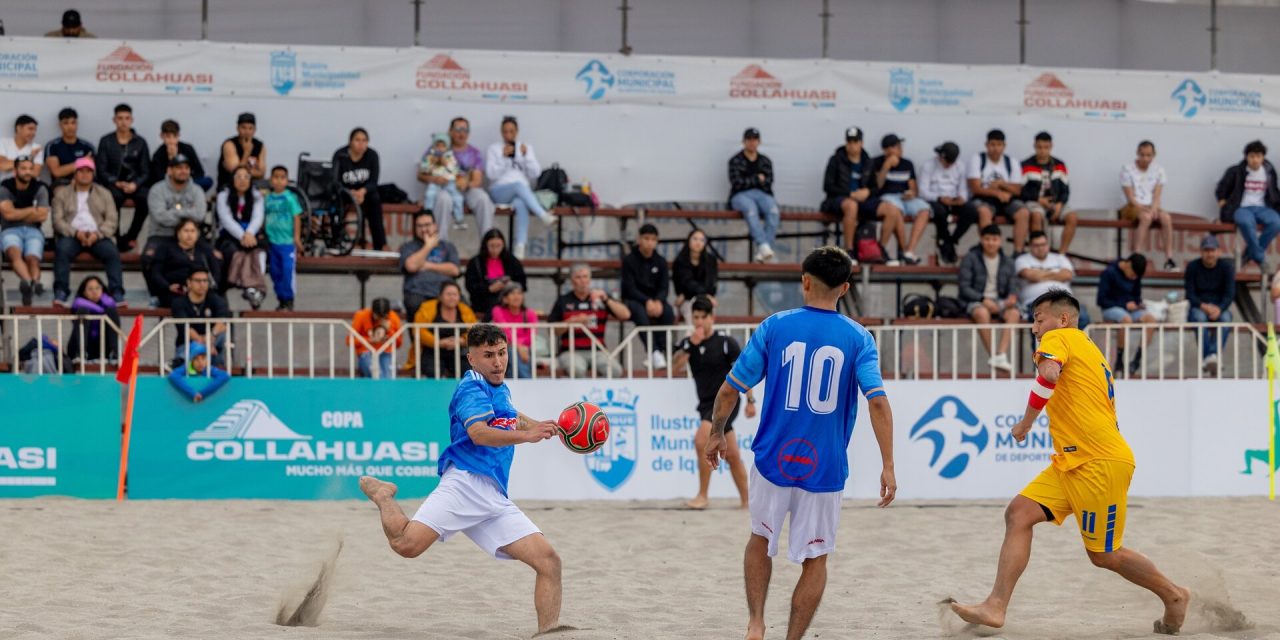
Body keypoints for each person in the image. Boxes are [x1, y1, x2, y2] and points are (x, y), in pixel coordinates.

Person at [949, 290, 1190, 635]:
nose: (1034, 328)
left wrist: (1026, 422)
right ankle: (995, 606)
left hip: (1097, 461)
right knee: (1019, 513)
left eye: (1038, 318)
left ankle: (1174, 595)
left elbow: (1048, 375)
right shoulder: (1086, 345)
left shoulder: (1059, 338)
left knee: (1105, 555)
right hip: (1072, 461)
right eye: (1033, 320)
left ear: (1062, 319)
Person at [705, 245, 896, 640]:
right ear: (844, 288)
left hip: (773, 458)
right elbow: (877, 401)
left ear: (805, 281)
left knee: (760, 538)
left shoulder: (775, 326)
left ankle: (756, 624)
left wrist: (716, 433)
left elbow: (729, 391)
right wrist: (888, 464)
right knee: (816, 558)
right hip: (824, 466)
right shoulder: (859, 338)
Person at [357, 324, 564, 635]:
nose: (498, 362)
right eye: (489, 355)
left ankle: (548, 633)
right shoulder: (471, 388)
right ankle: (384, 495)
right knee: (405, 545)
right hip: (464, 484)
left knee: (549, 562)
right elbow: (478, 433)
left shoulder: (499, 386)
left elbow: (510, 415)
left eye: (503, 353)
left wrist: (545, 426)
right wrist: (528, 435)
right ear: (471, 359)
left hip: (494, 497)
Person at [673, 296, 755, 510]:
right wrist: (691, 345)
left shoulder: (726, 343)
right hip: (706, 403)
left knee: (702, 439)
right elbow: (676, 367)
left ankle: (702, 496)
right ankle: (748, 501)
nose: (699, 321)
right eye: (696, 317)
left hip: (727, 402)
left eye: (703, 317)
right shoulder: (688, 343)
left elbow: (743, 373)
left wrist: (750, 400)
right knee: (733, 455)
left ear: (712, 318)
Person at [51, 157, 125, 307]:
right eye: (81, 171)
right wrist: (75, 232)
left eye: (88, 171)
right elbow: (57, 221)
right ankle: (61, 291)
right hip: (72, 235)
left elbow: (112, 220)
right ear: (75, 174)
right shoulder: (62, 194)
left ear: (93, 174)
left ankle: (117, 293)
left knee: (111, 252)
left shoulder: (104, 194)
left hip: (97, 235)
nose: (85, 175)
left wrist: (97, 234)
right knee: (62, 250)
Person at [485, 115, 556, 259]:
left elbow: (535, 173)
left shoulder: (525, 147)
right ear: (501, 132)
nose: (508, 135)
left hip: (521, 193)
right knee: (519, 185)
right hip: (499, 191)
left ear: (517, 132)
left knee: (521, 202)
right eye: (505, 132)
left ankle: (520, 246)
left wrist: (526, 156)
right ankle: (542, 215)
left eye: (511, 131)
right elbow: (491, 174)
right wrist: (504, 158)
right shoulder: (494, 148)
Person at [144, 154, 207, 305]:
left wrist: (172, 212)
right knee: (147, 257)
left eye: (186, 168)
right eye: (179, 168)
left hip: (190, 235)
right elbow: (160, 217)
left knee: (215, 256)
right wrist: (187, 213)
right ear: (169, 170)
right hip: (161, 234)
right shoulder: (157, 190)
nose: (183, 171)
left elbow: (200, 215)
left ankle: (210, 293)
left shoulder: (197, 190)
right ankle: (156, 294)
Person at [547, 263, 630, 377]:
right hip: (571, 351)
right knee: (576, 369)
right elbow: (552, 330)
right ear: (572, 280)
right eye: (578, 277)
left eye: (585, 277)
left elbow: (625, 315)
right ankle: (579, 395)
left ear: (590, 279)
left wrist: (606, 299)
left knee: (616, 370)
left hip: (598, 351)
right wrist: (571, 322)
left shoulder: (600, 297)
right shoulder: (563, 301)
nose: (582, 281)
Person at [423, 116, 496, 243]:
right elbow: (421, 174)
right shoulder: (438, 148)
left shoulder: (474, 152)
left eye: (465, 130)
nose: (462, 133)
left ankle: (488, 245)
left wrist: (466, 183)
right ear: (450, 131)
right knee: (443, 199)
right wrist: (435, 179)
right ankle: (440, 244)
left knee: (483, 199)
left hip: (466, 189)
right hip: (444, 187)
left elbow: (477, 180)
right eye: (458, 129)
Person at [821, 126, 888, 260]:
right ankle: (849, 250)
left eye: (855, 142)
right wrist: (850, 194)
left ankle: (880, 249)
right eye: (849, 142)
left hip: (863, 201)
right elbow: (828, 186)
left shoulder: (868, 161)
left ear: (861, 143)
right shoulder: (836, 159)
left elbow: (876, 188)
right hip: (838, 200)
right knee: (852, 206)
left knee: (891, 209)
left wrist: (867, 192)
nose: (852, 145)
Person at [959, 224, 1019, 372]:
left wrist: (1011, 298)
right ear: (981, 239)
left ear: (1000, 240)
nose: (991, 243)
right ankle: (994, 355)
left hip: (1000, 301)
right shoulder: (970, 258)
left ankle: (1001, 354)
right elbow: (964, 287)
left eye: (994, 239)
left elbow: (1013, 286)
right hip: (976, 300)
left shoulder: (1008, 262)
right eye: (987, 239)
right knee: (981, 313)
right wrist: (982, 299)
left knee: (1014, 313)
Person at [1216, 139, 1280, 272]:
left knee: (1276, 223)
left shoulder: (1269, 171)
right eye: (1252, 156)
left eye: (1258, 156)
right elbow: (1221, 189)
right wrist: (1223, 204)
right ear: (1246, 157)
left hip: (1263, 208)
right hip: (1242, 208)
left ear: (1263, 157)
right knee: (1245, 222)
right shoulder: (1236, 171)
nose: (1255, 160)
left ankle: (1247, 257)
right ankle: (1260, 259)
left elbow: (1274, 192)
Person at [968, 129, 1033, 253]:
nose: (996, 148)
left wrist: (1002, 185)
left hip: (1006, 199)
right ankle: (989, 250)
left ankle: (1018, 251)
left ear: (1004, 146)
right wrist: (996, 192)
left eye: (999, 145)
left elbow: (1017, 190)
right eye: (992, 145)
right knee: (983, 212)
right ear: (986, 145)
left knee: (1023, 212)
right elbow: (975, 187)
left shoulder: (1011, 162)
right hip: (984, 198)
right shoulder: (978, 159)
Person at [622, 223, 676, 370]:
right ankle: (653, 351)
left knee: (668, 312)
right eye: (646, 238)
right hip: (634, 300)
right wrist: (646, 301)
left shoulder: (661, 261)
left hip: (655, 300)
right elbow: (629, 288)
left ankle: (662, 349)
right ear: (639, 239)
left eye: (653, 239)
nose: (649, 242)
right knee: (640, 313)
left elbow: (664, 287)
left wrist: (658, 300)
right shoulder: (629, 260)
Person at [96, 104, 150, 248]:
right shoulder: (106, 141)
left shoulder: (140, 142)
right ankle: (116, 237)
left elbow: (145, 170)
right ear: (114, 120)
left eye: (127, 118)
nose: (123, 122)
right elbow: (101, 170)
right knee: (114, 198)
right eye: (120, 118)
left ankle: (131, 236)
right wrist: (116, 182)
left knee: (145, 198)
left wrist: (135, 184)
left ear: (132, 120)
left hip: (134, 184)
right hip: (114, 183)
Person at [871, 133, 931, 265]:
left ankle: (909, 250)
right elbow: (876, 186)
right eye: (895, 146)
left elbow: (914, 189)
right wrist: (886, 166)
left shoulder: (907, 163)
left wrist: (911, 194)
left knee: (925, 209)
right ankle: (902, 251)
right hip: (887, 197)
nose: (899, 148)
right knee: (895, 210)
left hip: (905, 198)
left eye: (899, 145)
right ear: (886, 150)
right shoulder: (876, 162)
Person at [0, 156, 51, 305]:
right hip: (10, 230)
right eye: (23, 168)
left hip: (33, 230)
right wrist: (31, 210)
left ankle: (31, 284)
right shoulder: (5, 186)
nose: (28, 172)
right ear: (15, 171)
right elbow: (8, 215)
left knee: (32, 258)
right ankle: (31, 283)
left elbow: (42, 215)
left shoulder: (40, 187)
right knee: (14, 253)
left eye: (30, 168)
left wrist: (17, 213)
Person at [215, 166, 266, 308]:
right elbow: (226, 219)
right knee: (234, 252)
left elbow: (258, 216)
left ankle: (255, 287)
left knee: (260, 252)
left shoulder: (256, 195)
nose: (242, 180)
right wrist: (242, 236)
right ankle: (240, 282)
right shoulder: (224, 195)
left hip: (251, 234)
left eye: (246, 177)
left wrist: (250, 233)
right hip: (230, 234)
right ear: (232, 179)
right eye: (239, 176)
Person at [1097, 253, 1155, 377]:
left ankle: (1137, 359)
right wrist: (1124, 304)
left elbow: (1137, 295)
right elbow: (1101, 300)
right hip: (1110, 309)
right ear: (1128, 265)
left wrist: (1138, 304)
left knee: (1151, 319)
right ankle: (1119, 358)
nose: (1134, 278)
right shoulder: (1109, 272)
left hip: (1130, 309)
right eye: (1133, 274)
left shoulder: (1136, 276)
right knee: (1126, 319)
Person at [1016, 231, 1090, 327]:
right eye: (1036, 245)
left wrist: (1039, 274)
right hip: (1035, 302)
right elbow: (1029, 275)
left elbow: (1067, 275)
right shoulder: (1022, 259)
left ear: (1048, 244)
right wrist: (1056, 274)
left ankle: (1072, 342)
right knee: (1045, 321)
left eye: (1043, 244)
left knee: (1082, 317)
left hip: (1064, 300)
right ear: (1030, 246)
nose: (1041, 248)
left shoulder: (1060, 258)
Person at [1185, 236, 1235, 376]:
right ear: (1201, 252)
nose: (1210, 254)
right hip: (1199, 306)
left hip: (1219, 306)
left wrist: (1219, 308)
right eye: (1206, 250)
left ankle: (1211, 356)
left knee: (1226, 318)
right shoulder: (1192, 267)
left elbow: (1230, 294)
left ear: (1218, 252)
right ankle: (1211, 357)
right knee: (1199, 318)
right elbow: (1190, 294)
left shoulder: (1226, 267)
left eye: (1212, 250)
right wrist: (1204, 306)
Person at [1120, 141, 1175, 270]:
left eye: (1148, 155)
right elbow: (1130, 197)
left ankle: (1169, 258)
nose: (1145, 158)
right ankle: (1136, 255)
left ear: (1154, 155)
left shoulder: (1159, 170)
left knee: (1166, 218)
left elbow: (1157, 195)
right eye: (1142, 155)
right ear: (1137, 154)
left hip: (1150, 205)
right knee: (1146, 218)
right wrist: (1145, 209)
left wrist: (1154, 208)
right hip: (1131, 206)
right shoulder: (1127, 169)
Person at [728, 127, 780, 263]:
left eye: (755, 139)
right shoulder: (735, 160)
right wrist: (757, 179)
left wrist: (750, 180)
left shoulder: (765, 161)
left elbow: (769, 182)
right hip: (740, 195)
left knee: (773, 210)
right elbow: (736, 183)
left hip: (762, 194)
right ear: (744, 142)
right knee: (751, 210)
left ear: (759, 142)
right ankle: (763, 245)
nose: (752, 143)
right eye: (749, 139)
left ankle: (764, 249)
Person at [1020, 132, 1077, 254]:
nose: (1042, 151)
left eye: (1046, 147)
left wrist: (1060, 204)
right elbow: (1020, 191)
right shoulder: (1026, 165)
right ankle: (1039, 252)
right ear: (1034, 146)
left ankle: (1062, 254)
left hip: (1056, 202)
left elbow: (1065, 190)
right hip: (1035, 202)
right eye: (1039, 147)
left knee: (1072, 217)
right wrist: (1038, 199)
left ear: (1051, 146)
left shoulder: (1060, 165)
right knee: (1036, 216)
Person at [920, 141, 975, 265]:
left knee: (971, 210)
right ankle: (946, 241)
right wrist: (939, 198)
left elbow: (963, 189)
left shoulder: (960, 167)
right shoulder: (928, 166)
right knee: (939, 212)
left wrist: (961, 199)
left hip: (954, 200)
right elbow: (923, 192)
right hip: (935, 199)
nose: (948, 165)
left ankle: (951, 241)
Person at [333, 127, 387, 251]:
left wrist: (363, 191)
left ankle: (379, 245)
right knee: (335, 199)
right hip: (346, 192)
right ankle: (338, 240)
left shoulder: (372, 155)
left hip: (364, 193)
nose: (361, 144)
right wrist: (350, 192)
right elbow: (335, 181)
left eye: (364, 140)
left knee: (375, 199)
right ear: (350, 141)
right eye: (357, 140)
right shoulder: (340, 155)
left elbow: (374, 181)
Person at [400, 210, 461, 318]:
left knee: (463, 306)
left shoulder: (447, 246)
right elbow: (411, 266)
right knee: (413, 303)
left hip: (445, 293)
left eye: (427, 225)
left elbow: (454, 269)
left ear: (435, 225)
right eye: (419, 226)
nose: (423, 229)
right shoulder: (408, 247)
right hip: (418, 292)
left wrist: (426, 265)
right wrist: (428, 246)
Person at [151, 219, 219, 309]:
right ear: (178, 233)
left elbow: (216, 271)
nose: (189, 234)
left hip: (202, 291)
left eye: (193, 231)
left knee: (219, 303)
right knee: (181, 304)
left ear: (198, 234)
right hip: (175, 292)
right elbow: (156, 272)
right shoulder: (166, 248)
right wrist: (167, 286)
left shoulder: (204, 249)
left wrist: (206, 287)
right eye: (186, 231)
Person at [171, 267, 230, 369]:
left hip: (213, 346)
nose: (202, 284)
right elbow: (185, 328)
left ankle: (182, 359)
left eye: (205, 281)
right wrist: (205, 345)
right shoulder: (179, 303)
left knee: (221, 334)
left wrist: (209, 339)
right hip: (188, 345)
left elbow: (221, 324)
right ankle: (186, 358)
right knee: (191, 350)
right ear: (189, 283)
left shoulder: (216, 300)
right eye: (198, 281)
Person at [414, 281, 477, 379]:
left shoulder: (466, 310)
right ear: (440, 296)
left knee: (468, 371)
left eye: (455, 294)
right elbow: (419, 330)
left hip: (458, 351)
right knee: (432, 371)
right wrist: (438, 342)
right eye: (448, 294)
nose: (452, 297)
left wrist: (462, 340)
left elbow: (474, 332)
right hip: (432, 350)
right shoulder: (427, 308)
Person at [263, 165, 304, 311]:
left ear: (287, 180)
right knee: (275, 272)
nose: (279, 181)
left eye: (282, 177)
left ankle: (289, 298)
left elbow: (297, 217)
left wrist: (297, 237)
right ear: (271, 180)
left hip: (287, 243)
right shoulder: (267, 199)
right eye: (276, 177)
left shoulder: (290, 198)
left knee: (287, 271)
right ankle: (281, 298)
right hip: (272, 243)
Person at [464, 228, 527, 320]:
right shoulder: (476, 262)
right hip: (483, 301)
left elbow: (522, 284)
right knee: (495, 302)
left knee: (504, 299)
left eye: (498, 246)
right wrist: (489, 288)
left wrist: (509, 285)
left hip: (508, 301)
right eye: (491, 246)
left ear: (503, 245)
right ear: (485, 245)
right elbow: (470, 286)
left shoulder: (512, 261)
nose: (495, 250)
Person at [66, 275, 120, 364]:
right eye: (90, 289)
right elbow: (78, 302)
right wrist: (101, 311)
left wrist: (103, 304)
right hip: (81, 345)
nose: (94, 291)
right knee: (83, 310)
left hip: (101, 346)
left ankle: (114, 353)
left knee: (111, 311)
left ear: (102, 290)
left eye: (97, 288)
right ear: (84, 292)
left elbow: (111, 303)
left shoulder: (107, 303)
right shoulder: (79, 302)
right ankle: (81, 354)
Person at [491, 282, 537, 379]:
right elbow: (504, 332)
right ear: (505, 298)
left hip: (525, 348)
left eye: (519, 293)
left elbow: (532, 335)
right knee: (512, 351)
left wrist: (521, 346)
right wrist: (519, 346)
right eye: (512, 293)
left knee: (519, 353)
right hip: (503, 347)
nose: (516, 296)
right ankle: (527, 381)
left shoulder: (530, 313)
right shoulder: (497, 310)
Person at [150, 120, 211, 191]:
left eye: (174, 136)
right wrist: (171, 159)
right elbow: (158, 178)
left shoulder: (188, 148)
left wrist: (185, 179)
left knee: (207, 181)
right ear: (162, 136)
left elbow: (200, 171)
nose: (171, 140)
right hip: (169, 186)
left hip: (188, 183)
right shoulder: (158, 154)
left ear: (178, 135)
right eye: (168, 136)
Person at [420, 132, 465, 230]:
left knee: (458, 198)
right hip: (435, 183)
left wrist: (446, 164)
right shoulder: (429, 156)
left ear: (447, 147)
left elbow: (456, 171)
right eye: (438, 146)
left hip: (449, 183)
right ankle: (428, 216)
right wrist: (432, 163)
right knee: (429, 194)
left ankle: (459, 219)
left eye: (442, 146)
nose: (440, 148)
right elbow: (423, 170)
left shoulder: (450, 157)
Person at [672, 228, 718, 322]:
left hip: (704, 299)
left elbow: (711, 283)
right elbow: (686, 284)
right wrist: (704, 294)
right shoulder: (680, 261)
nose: (698, 242)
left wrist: (686, 294)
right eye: (695, 239)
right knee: (691, 310)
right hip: (687, 301)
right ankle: (692, 336)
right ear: (689, 240)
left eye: (702, 240)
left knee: (708, 310)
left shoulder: (711, 261)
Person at [352, 297, 402, 379]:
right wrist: (369, 340)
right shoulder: (361, 316)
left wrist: (389, 332)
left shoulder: (393, 318)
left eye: (383, 317)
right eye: (377, 316)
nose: (379, 319)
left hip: (386, 352)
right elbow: (350, 340)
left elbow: (399, 343)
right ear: (373, 312)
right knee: (375, 374)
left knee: (387, 377)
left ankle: (383, 390)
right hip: (366, 352)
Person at [43, 108, 94, 188]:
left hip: (85, 183)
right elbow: (56, 172)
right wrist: (81, 162)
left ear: (77, 124)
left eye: (73, 123)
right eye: (66, 123)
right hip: (61, 184)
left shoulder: (87, 146)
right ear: (60, 125)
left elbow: (91, 170)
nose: (70, 127)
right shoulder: (52, 146)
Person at [217, 112, 266, 193]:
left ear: (255, 130)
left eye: (250, 128)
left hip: (252, 185)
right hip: (229, 185)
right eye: (243, 128)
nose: (247, 131)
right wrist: (246, 152)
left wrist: (248, 172)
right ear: (237, 128)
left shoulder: (260, 145)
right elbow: (236, 173)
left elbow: (261, 173)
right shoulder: (229, 144)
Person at [0, 114, 44, 181]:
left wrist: (11, 164)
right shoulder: (3, 143)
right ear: (19, 128)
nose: (33, 133)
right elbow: (2, 166)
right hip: (6, 185)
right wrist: (29, 157)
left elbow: (35, 173)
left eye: (35, 130)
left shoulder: (36, 148)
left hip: (30, 186)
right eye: (30, 129)